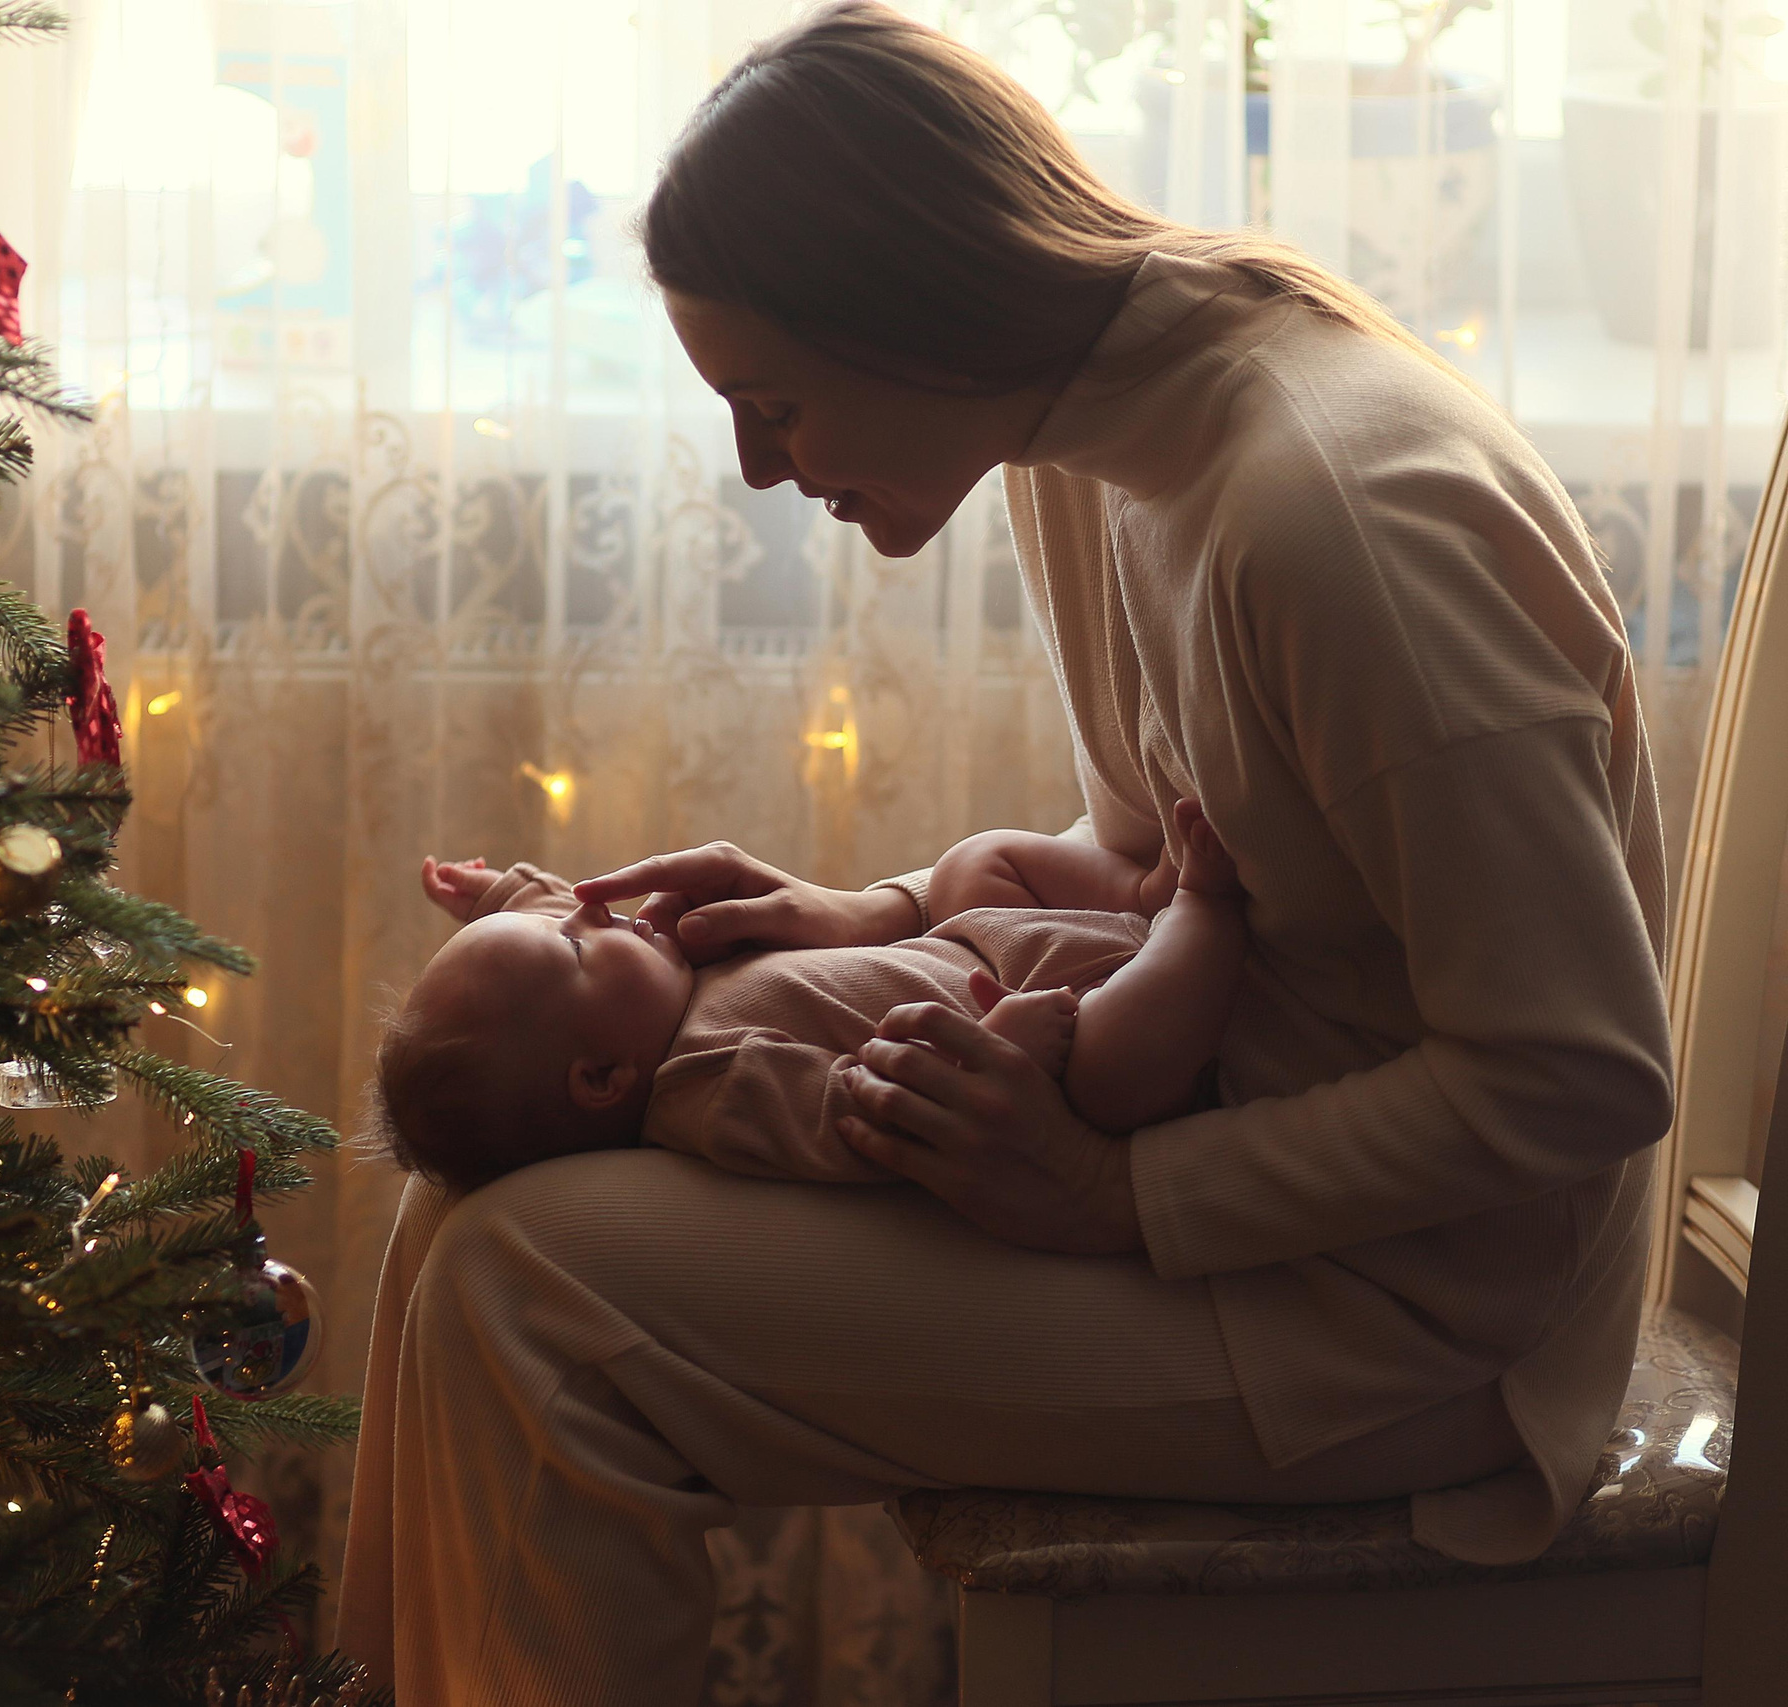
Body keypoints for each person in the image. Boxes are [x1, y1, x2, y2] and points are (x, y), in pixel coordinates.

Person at [337, 5, 1671, 1702]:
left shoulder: (1340, 520)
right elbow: (1164, 853)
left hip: (1412, 1317)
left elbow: (1579, 1073)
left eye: (773, 398)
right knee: (468, 1211)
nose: (755, 466)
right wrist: (871, 910)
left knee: (521, 1297)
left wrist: (1121, 1194)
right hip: (1224, 1156)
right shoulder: (1087, 431)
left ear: (918, 318)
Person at [373, 798, 1245, 1192]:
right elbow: (882, 1117)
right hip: (1050, 1039)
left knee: (971, 864)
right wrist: (1008, 1052)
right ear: (601, 1076)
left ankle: (1139, 896)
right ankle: (1201, 913)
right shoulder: (713, 1087)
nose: (599, 908)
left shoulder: (642, 1000)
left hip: (986, 942)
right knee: (1118, 1069)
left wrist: (495, 898)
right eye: (580, 942)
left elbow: (549, 914)